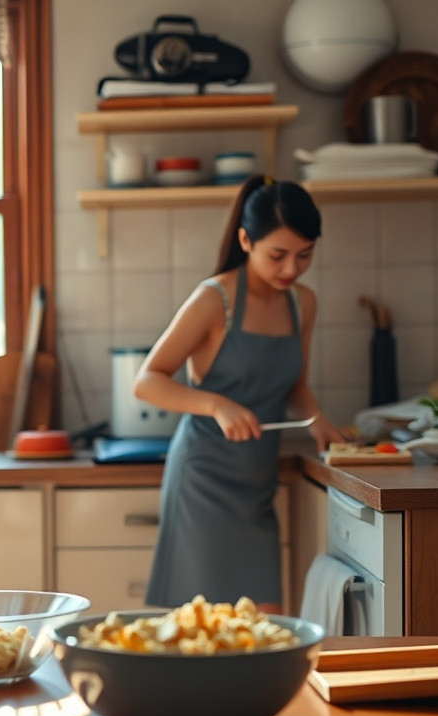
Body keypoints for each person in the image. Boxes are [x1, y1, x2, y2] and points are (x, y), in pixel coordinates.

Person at [133, 175, 344, 613]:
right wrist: (216, 404)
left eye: (305, 255)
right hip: (203, 481)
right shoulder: (215, 299)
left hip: (257, 486)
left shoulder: (303, 303)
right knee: (202, 629)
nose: (291, 269)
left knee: (263, 628)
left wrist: (318, 421)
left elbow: (295, 385)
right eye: (278, 255)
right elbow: (147, 380)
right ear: (246, 241)